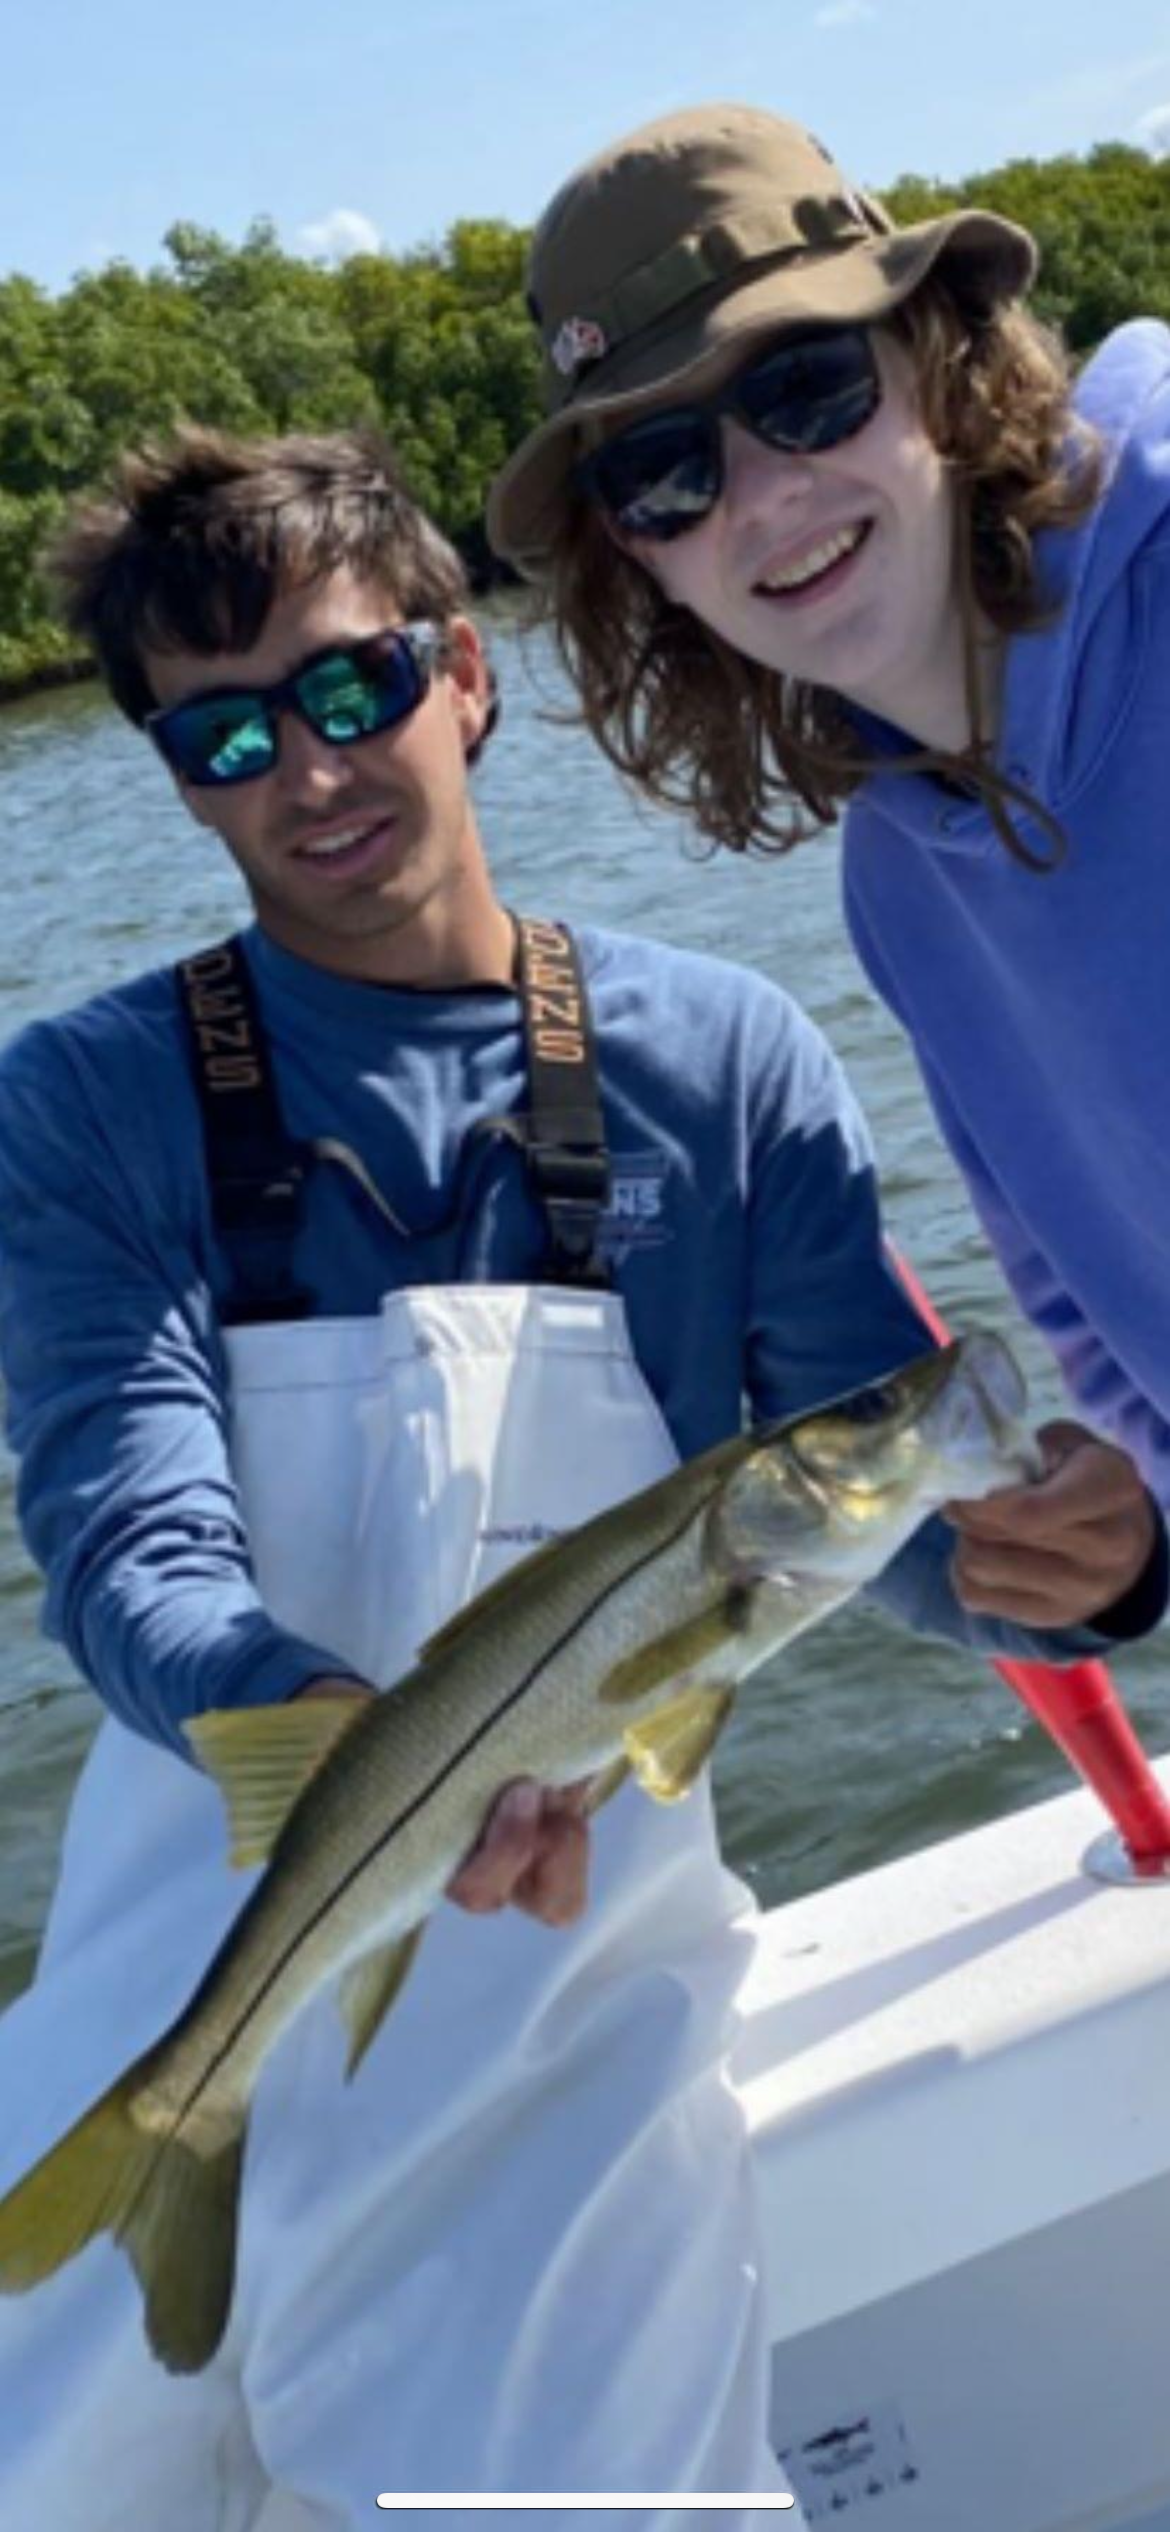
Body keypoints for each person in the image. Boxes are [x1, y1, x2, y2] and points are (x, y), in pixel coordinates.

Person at [0, 425, 1159, 2532]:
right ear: (175, 776)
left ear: (465, 673)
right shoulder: (81, 1101)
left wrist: (1066, 1565)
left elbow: (879, 1529)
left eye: (351, 690)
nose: (311, 769)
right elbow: (118, 1521)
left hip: (573, 2023)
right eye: (228, 734)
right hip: (196, 1947)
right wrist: (315, 1727)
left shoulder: (725, 1059)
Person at [487, 102, 1170, 1511]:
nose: (762, 496)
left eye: (801, 389)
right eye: (663, 471)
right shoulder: (894, 888)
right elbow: (1102, 1348)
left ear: (932, 355)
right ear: (639, 558)